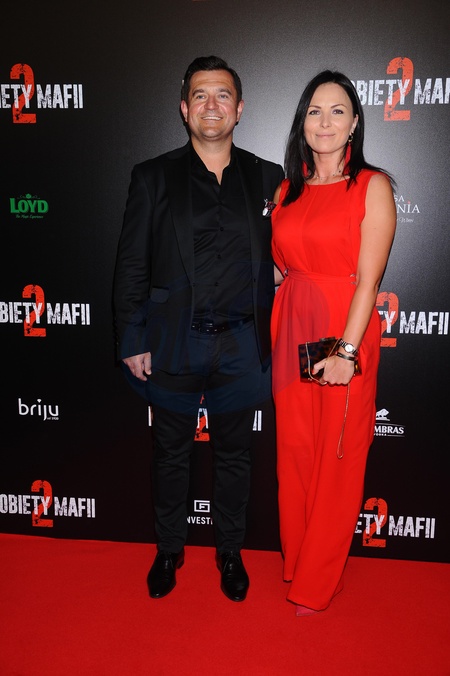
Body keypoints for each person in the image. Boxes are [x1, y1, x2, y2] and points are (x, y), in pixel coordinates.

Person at [113, 56, 284, 602]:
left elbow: (288, 251)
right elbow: (132, 264)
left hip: (242, 343)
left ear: (240, 108)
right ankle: (169, 549)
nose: (213, 105)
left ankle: (230, 551)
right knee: (170, 453)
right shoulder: (152, 176)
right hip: (173, 341)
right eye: (201, 95)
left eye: (223, 95)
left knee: (235, 454)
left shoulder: (269, 177)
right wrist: (133, 337)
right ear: (185, 108)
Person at [270, 70, 396, 616]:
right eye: (314, 111)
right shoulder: (287, 190)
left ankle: (318, 583)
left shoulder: (372, 186)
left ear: (355, 124)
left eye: (337, 110)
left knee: (337, 458)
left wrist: (346, 352)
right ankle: (298, 562)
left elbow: (369, 280)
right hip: (292, 329)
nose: (325, 121)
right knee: (295, 455)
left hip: (343, 327)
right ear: (302, 121)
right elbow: (281, 269)